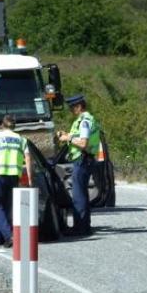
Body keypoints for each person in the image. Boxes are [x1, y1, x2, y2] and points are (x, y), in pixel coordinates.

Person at [0, 114, 33, 249]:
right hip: (13, 177)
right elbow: (28, 159)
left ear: (2, 125)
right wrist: (29, 178)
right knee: (4, 208)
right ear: (15, 126)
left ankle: (9, 236)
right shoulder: (21, 140)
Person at [57, 94, 100, 235]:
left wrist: (68, 138)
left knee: (78, 195)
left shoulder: (85, 121)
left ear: (79, 107)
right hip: (84, 159)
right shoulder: (83, 120)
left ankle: (80, 228)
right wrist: (68, 135)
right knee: (81, 194)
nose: (71, 110)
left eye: (72, 108)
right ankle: (84, 226)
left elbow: (83, 143)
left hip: (82, 159)